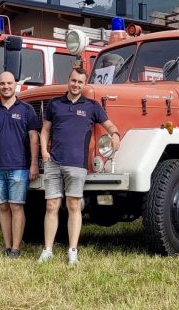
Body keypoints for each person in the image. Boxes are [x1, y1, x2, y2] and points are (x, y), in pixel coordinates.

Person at [38, 67, 120, 265]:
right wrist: (44, 152)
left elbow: (109, 125)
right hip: (53, 163)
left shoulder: (92, 106)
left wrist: (115, 135)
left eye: (80, 82)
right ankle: (47, 250)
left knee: (74, 205)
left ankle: (72, 251)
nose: (76, 85)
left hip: (77, 164)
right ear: (68, 80)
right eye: (73, 80)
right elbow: (45, 130)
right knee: (51, 206)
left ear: (84, 85)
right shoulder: (55, 104)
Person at [0, 72, 40, 258]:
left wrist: (34, 164)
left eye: (9, 83)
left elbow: (34, 139)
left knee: (16, 206)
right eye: (2, 84)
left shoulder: (26, 110)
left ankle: (16, 248)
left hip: (19, 167)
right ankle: (7, 247)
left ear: (15, 85)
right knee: (3, 207)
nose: (5, 87)